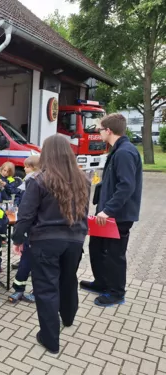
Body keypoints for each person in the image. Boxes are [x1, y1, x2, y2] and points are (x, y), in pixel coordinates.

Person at [12, 134, 90, 354]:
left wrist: (18, 239)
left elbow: (26, 215)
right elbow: (84, 212)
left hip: (45, 242)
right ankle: (68, 318)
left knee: (46, 289)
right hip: (74, 240)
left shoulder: (39, 180)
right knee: (68, 280)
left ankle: (50, 339)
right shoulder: (82, 179)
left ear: (46, 154)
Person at [80, 113, 142, 307]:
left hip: (118, 216)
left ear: (108, 130)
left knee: (114, 254)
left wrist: (108, 210)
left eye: (99, 129)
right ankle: (102, 283)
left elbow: (126, 186)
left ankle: (116, 293)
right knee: (97, 248)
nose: (98, 133)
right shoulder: (118, 150)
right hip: (106, 214)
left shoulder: (125, 152)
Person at [8, 155, 40, 303]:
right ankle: (18, 289)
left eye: (26, 166)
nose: (24, 169)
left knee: (36, 266)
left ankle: (35, 291)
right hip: (28, 230)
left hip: (36, 232)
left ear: (33, 168)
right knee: (24, 263)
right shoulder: (27, 182)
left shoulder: (36, 182)